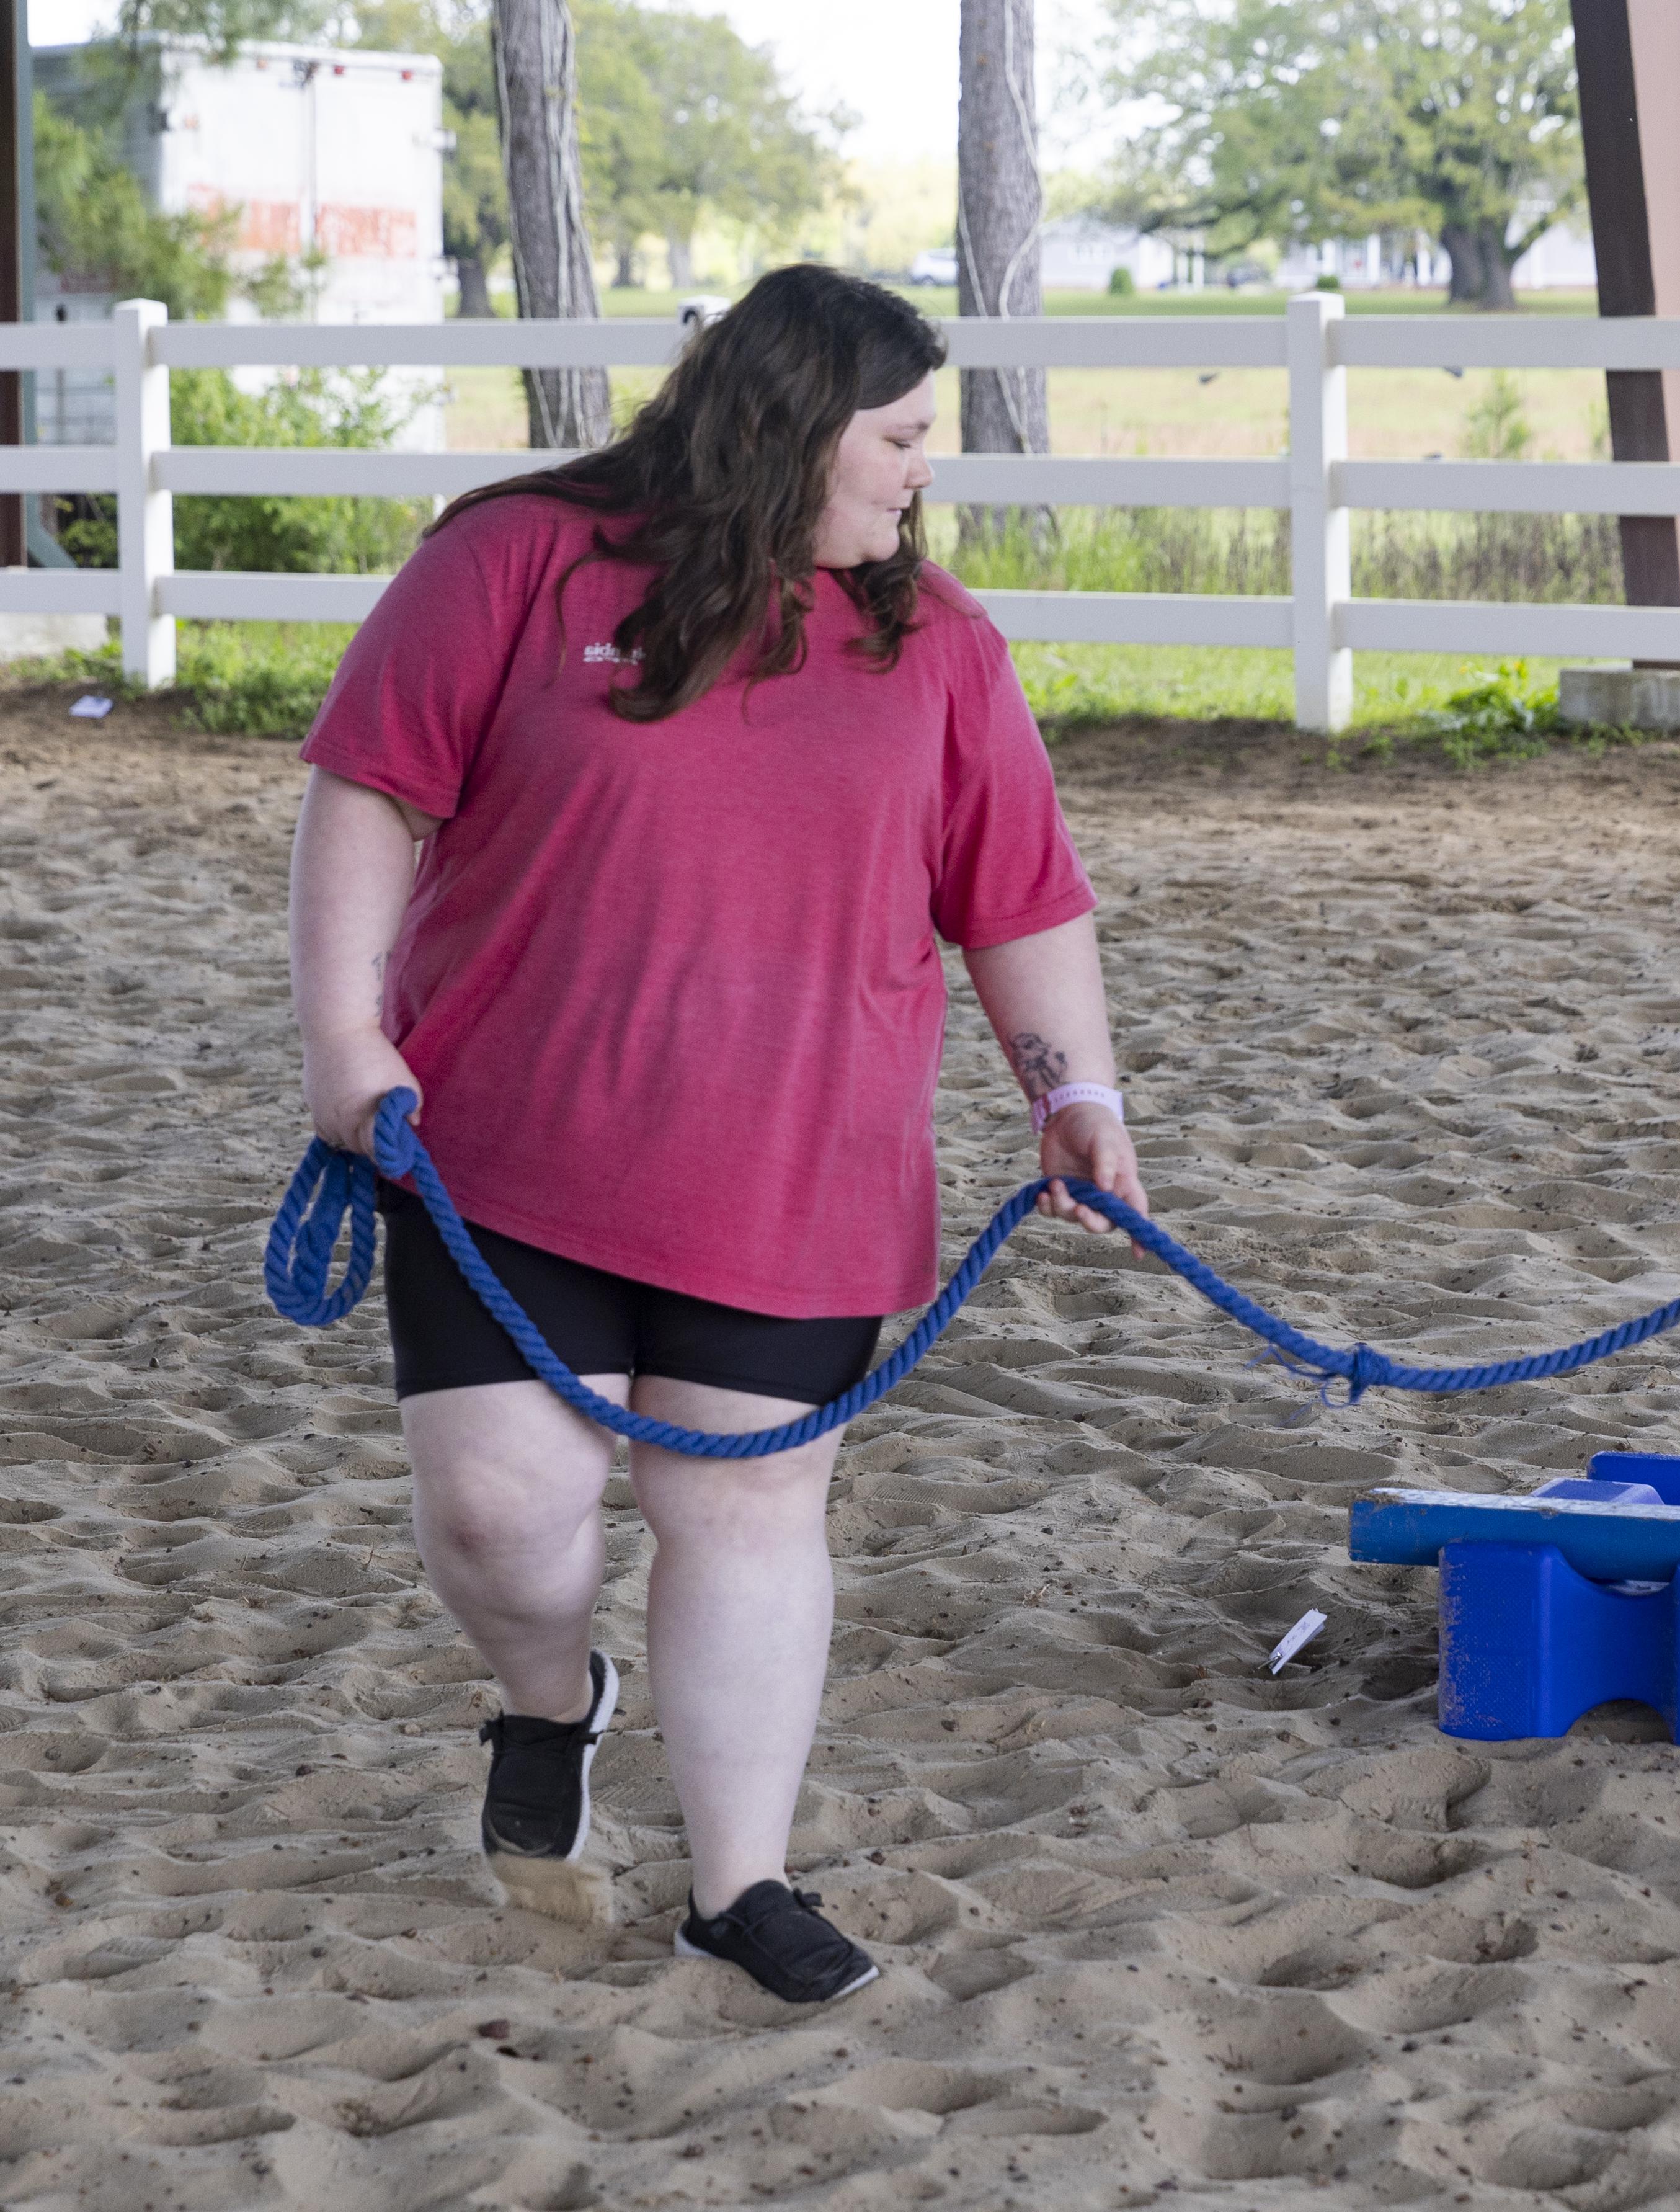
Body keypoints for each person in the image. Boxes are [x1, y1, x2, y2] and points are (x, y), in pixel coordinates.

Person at [285, 264, 1146, 2006]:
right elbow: (372, 787)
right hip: (499, 1152)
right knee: (497, 1520)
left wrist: (1075, 1094)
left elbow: (1021, 899)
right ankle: (551, 1702)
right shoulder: (511, 563)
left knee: (741, 1519)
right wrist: (345, 1041)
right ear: (786, 426)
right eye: (897, 438)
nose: (921, 473)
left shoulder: (940, 645)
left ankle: (737, 1884)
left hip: (798, 1178)